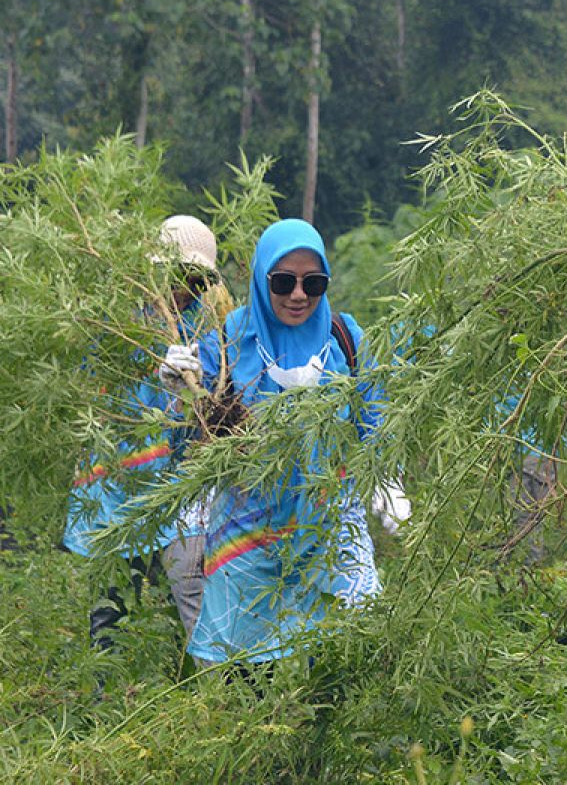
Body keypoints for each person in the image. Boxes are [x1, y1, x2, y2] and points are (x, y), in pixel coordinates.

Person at [160, 218, 406, 669]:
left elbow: (375, 419)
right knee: (245, 672)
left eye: (313, 282)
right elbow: (188, 446)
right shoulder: (227, 346)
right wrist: (180, 394)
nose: (298, 295)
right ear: (261, 279)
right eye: (283, 281)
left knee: (348, 656)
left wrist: (387, 483)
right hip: (248, 538)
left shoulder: (344, 341)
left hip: (330, 533)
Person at [63, 215, 218, 650]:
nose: (182, 287)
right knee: (110, 619)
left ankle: (207, 709)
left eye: (194, 279)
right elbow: (96, 390)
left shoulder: (204, 330)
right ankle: (104, 710)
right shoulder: (115, 322)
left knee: (190, 616)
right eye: (176, 275)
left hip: (174, 496)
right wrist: (155, 373)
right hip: (117, 490)